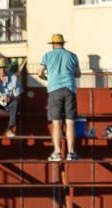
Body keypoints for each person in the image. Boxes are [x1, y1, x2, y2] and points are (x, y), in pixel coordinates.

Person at [40, 33, 80, 161]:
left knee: (56, 123)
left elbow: (39, 72)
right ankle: (71, 153)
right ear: (63, 43)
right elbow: (78, 74)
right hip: (69, 89)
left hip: (54, 90)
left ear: (52, 44)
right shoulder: (72, 56)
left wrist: (46, 77)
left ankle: (57, 153)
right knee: (70, 123)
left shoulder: (47, 55)